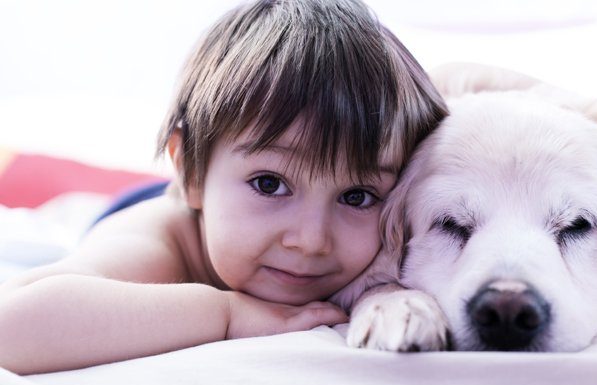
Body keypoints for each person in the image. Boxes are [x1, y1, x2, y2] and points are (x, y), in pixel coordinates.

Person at [0, 0, 447, 374]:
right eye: (270, 184)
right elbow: (12, 326)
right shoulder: (158, 242)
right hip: (130, 204)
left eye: (357, 196)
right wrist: (226, 314)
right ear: (192, 172)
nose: (311, 240)